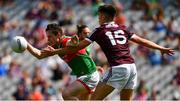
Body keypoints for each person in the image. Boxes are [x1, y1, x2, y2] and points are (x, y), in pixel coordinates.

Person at [41, 5, 174, 100]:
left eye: (99, 16)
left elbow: (77, 47)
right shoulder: (122, 28)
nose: (98, 18)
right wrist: (161, 48)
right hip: (132, 68)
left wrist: (55, 51)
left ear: (104, 16)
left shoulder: (99, 30)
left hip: (118, 67)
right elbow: (141, 40)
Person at [26, 23, 100, 100]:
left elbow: (71, 43)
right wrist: (26, 44)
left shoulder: (66, 41)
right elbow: (39, 55)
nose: (48, 40)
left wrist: (73, 42)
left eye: (50, 37)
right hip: (83, 76)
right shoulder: (56, 46)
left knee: (66, 94)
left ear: (58, 34)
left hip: (89, 76)